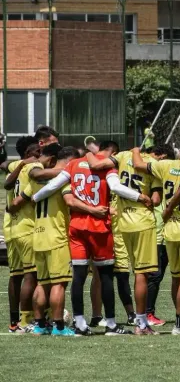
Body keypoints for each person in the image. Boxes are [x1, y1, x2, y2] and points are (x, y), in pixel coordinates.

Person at [33, 140, 149, 336]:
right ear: (112, 152)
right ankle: (111, 324)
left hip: (77, 227)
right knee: (104, 277)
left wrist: (35, 198)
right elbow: (117, 187)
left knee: (78, 276)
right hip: (99, 228)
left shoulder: (74, 164)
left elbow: (54, 185)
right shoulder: (108, 165)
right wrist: (139, 197)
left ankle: (79, 323)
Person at [86, 145, 172, 335]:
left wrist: (87, 152)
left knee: (120, 272)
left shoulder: (122, 156)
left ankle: (107, 316)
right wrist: (147, 196)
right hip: (143, 222)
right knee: (141, 274)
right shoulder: (152, 164)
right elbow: (156, 200)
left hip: (123, 222)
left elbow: (97, 165)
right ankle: (141, 323)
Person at [7, 145, 78, 336]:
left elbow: (15, 203)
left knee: (42, 283)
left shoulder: (35, 181)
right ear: (69, 161)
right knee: (59, 283)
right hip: (56, 236)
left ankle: (39, 325)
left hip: (37, 235)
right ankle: (59, 327)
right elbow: (71, 202)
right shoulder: (64, 180)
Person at [133, 137, 180, 335]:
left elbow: (137, 164)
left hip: (169, 228)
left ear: (179, 150)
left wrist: (136, 149)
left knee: (176, 278)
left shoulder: (164, 165)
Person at [2, 136, 41, 332]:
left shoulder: (16, 164)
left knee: (16, 275)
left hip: (11, 229)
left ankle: (13, 322)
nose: (40, 157)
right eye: (38, 153)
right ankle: (27, 320)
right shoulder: (33, 169)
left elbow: (4, 167)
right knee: (31, 275)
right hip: (27, 227)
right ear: (29, 153)